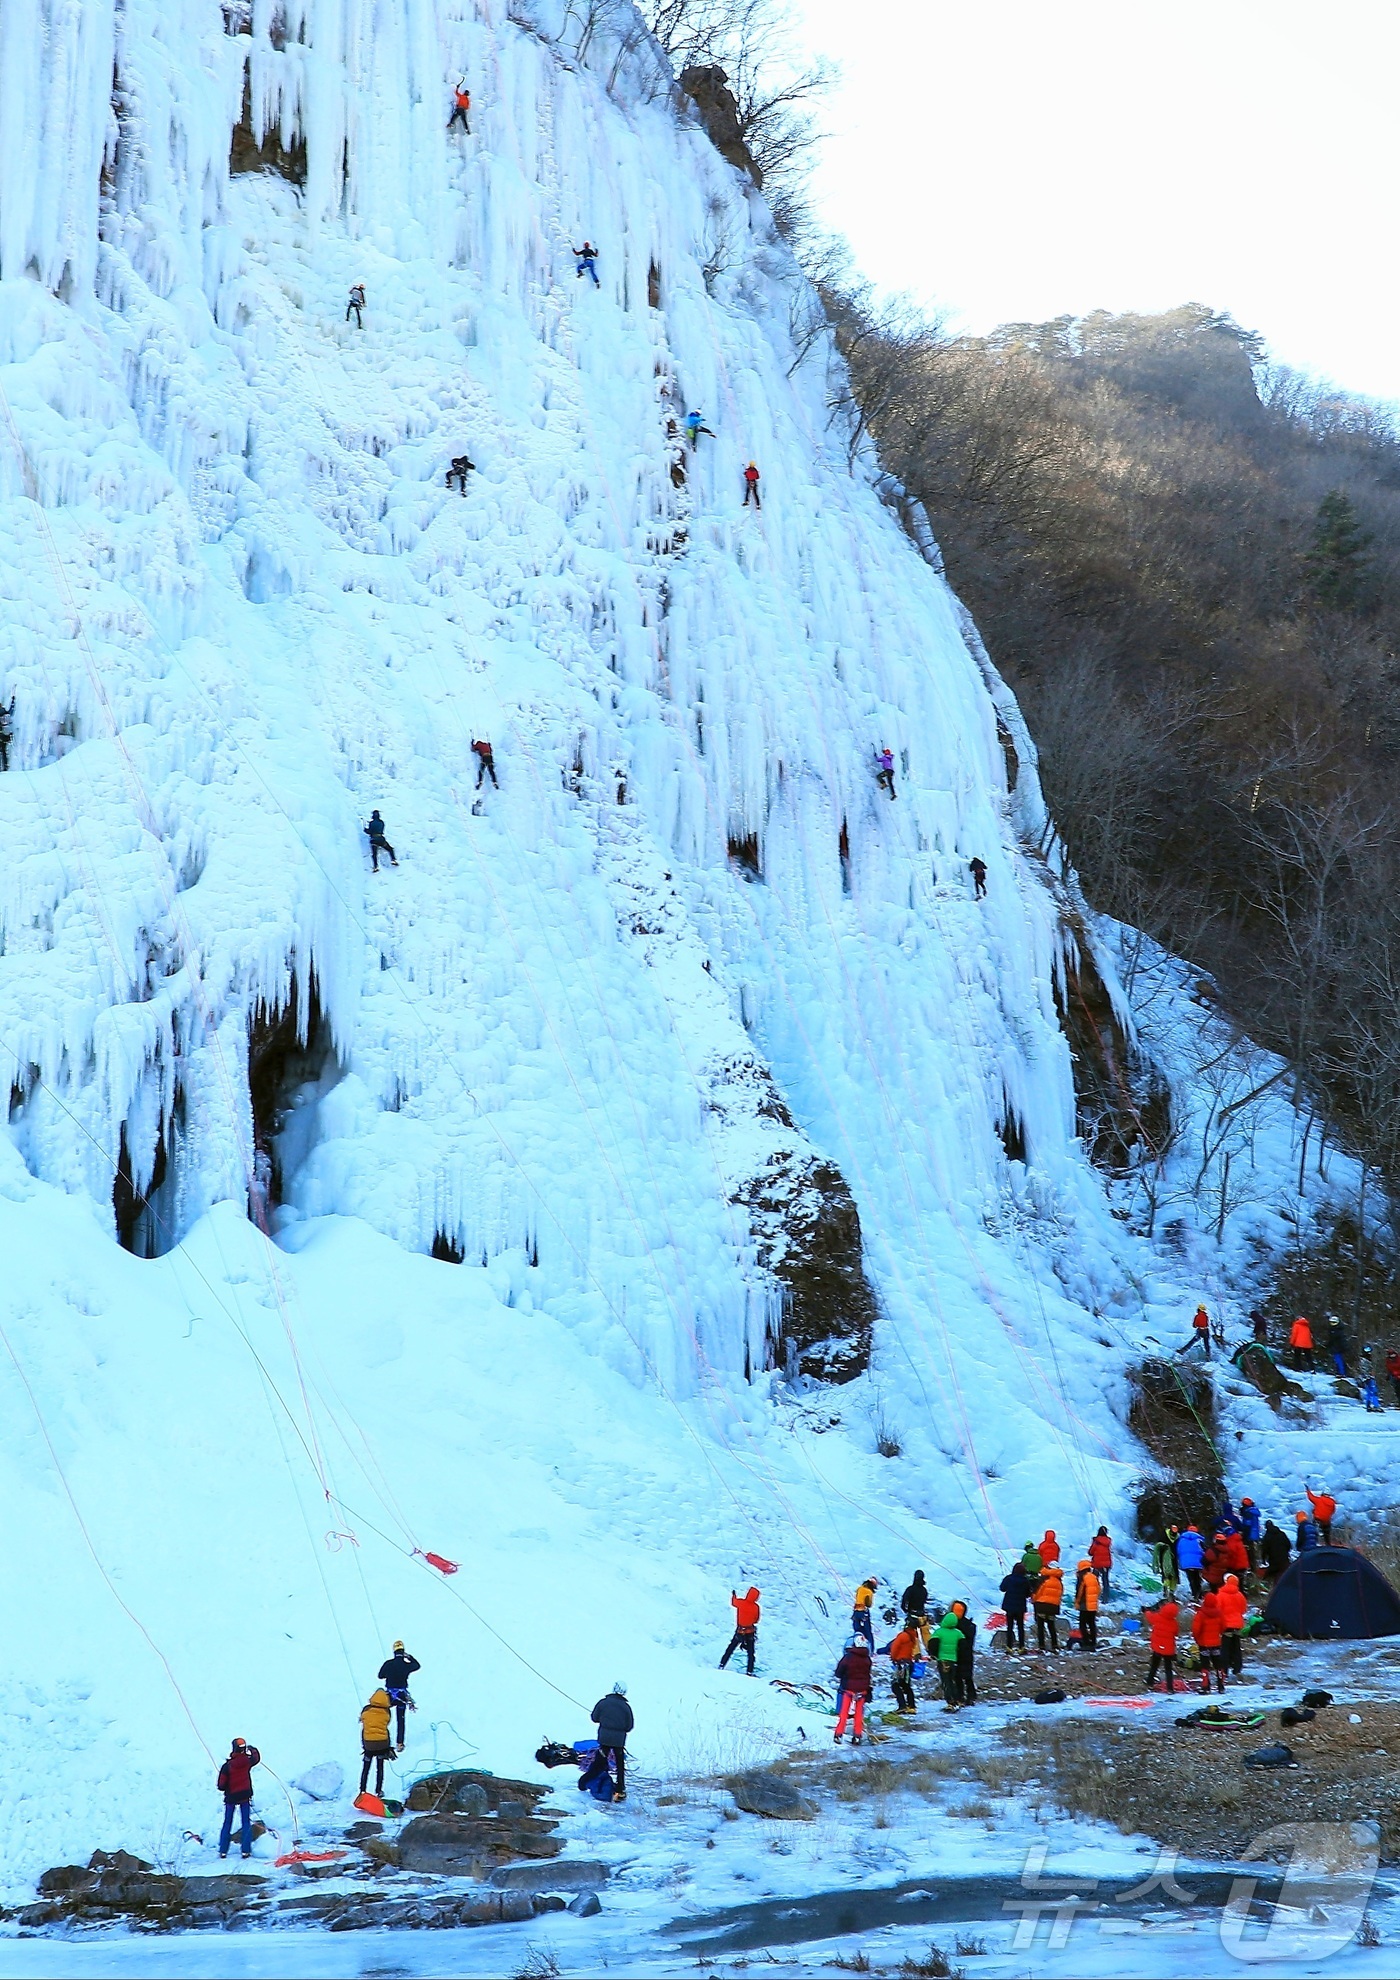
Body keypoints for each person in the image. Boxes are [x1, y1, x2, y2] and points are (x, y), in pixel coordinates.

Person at [216, 1738, 261, 1858]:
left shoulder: (227, 1766)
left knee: (227, 1823)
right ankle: (246, 1851)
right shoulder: (247, 1761)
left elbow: (221, 1786)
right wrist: (252, 1749)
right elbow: (256, 1758)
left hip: (231, 1797)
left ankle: (223, 1850)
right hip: (245, 1796)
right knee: (246, 1822)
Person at [590, 1681, 633, 1799]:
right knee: (619, 1764)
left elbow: (594, 1718)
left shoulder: (603, 1703)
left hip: (604, 1738)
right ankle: (620, 1788)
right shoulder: (626, 1707)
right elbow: (629, 1726)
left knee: (600, 1761)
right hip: (619, 1741)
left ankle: (598, 1782)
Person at [378, 1641, 421, 1750]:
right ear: (403, 1652)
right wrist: (409, 1657)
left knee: (382, 1716)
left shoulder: (388, 1664)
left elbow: (380, 1675)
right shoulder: (406, 1665)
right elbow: (417, 1665)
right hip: (401, 1696)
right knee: (400, 1720)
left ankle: (380, 1739)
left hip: (389, 1696)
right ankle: (400, 1743)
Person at [833, 1638, 873, 1742]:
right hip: (862, 1690)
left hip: (849, 1689)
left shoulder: (848, 1657)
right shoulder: (867, 1659)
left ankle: (838, 1734)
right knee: (859, 1714)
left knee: (844, 1712)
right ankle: (857, 1735)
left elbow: (838, 1673)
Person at [359, 1688, 395, 1797]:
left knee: (366, 1768)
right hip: (382, 1744)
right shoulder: (387, 1712)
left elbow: (362, 1719)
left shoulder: (366, 1710)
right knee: (380, 1768)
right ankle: (379, 1790)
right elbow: (387, 1723)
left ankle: (362, 1790)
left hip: (368, 1744)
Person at [720, 1586, 761, 1675]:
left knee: (730, 1648)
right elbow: (756, 1620)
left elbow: (733, 1602)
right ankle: (749, 1671)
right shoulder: (756, 1607)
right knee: (750, 1653)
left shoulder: (741, 1603)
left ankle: (722, 1664)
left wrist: (734, 1595)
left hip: (740, 1631)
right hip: (750, 1632)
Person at [1192, 1590, 1226, 1694]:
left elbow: (1196, 1630)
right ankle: (1221, 1686)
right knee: (1218, 1665)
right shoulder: (1219, 1613)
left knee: (1205, 1666)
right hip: (1216, 1643)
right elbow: (1223, 1627)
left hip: (1204, 1644)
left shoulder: (1201, 1614)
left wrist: (1197, 1639)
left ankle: (1206, 1686)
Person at [1144, 1595, 1179, 1693]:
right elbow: (1176, 1633)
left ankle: (1150, 1682)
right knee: (1168, 1669)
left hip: (1158, 1647)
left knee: (1154, 1665)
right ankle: (1170, 1688)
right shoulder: (1174, 1623)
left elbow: (1149, 1617)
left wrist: (1146, 1611)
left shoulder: (1157, 1617)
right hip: (1168, 1649)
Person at [932, 1607, 963, 1709]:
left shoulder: (938, 1632)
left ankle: (950, 1702)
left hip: (943, 1660)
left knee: (946, 1682)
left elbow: (933, 1645)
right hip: (953, 1660)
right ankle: (958, 1699)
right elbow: (964, 1646)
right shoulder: (958, 1633)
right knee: (953, 1680)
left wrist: (935, 1655)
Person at [1217, 1574, 1247, 1678]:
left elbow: (1218, 1610)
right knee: (1236, 1647)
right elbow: (1243, 1610)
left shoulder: (1220, 1595)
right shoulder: (1240, 1595)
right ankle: (1237, 1668)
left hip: (1226, 1625)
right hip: (1237, 1624)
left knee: (1225, 1648)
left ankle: (1224, 1670)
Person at [1032, 1559, 1063, 1653]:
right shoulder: (1059, 1581)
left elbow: (1038, 1591)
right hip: (1053, 1607)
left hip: (1042, 1605)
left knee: (1040, 1626)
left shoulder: (1044, 1578)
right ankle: (1054, 1644)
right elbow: (1060, 1594)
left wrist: (1034, 1599)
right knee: (1051, 1626)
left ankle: (1041, 1645)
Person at [887, 1621, 919, 1713]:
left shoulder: (903, 1636)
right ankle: (911, 1706)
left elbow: (894, 1647)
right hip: (909, 1663)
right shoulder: (913, 1636)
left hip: (901, 1664)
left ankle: (902, 1705)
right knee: (906, 1685)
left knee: (895, 1685)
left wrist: (893, 1658)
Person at [999, 1560, 1030, 1653]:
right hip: (1020, 1606)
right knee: (1020, 1627)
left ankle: (1009, 1647)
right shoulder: (1025, 1581)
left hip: (1009, 1606)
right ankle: (1021, 1647)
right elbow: (1028, 1594)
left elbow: (1002, 1588)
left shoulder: (1008, 1578)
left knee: (1010, 1627)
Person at [952, 1600, 977, 1705]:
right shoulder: (970, 1625)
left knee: (957, 1676)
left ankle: (960, 1696)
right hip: (967, 1653)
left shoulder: (953, 1626)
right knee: (967, 1676)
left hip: (956, 1653)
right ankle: (971, 1696)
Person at [1074, 1558, 1100, 1651]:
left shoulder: (1083, 1577)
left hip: (1085, 1604)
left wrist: (1077, 1602)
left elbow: (1080, 1591)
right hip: (1093, 1604)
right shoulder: (1094, 1577)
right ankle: (1093, 1642)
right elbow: (1098, 1590)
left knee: (1082, 1624)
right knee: (1092, 1623)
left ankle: (1086, 1643)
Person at [1176, 1524, 1205, 1599]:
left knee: (1191, 1578)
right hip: (1198, 1562)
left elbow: (1178, 1550)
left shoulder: (1181, 1539)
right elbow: (1204, 1550)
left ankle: (1194, 1594)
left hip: (1186, 1563)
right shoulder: (1199, 1540)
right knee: (1197, 1578)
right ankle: (1199, 1594)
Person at [851, 1577, 878, 1650]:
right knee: (868, 1631)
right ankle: (871, 1649)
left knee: (857, 1630)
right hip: (864, 1612)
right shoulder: (869, 1592)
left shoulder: (859, 1588)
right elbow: (868, 1604)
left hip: (856, 1612)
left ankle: (856, 1646)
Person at [1088, 1526, 1113, 1602]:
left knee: (1094, 1580)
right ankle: (1105, 1598)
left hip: (1097, 1564)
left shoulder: (1096, 1541)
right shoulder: (1108, 1542)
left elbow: (1090, 1552)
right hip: (1107, 1564)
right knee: (1105, 1581)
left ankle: (1094, 1595)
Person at [1152, 1528, 1180, 1595]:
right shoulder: (1164, 1536)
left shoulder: (1177, 1538)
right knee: (1169, 1574)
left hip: (1172, 1558)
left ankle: (1170, 1590)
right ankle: (1168, 1589)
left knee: (1171, 1575)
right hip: (1166, 1557)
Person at [1239, 1498, 1262, 1571]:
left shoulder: (1248, 1513)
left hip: (1249, 1535)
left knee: (1249, 1552)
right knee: (1253, 1552)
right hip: (1254, 1534)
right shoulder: (1253, 1511)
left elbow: (1247, 1525)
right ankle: (1254, 1567)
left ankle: (1251, 1568)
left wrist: (1244, 1535)